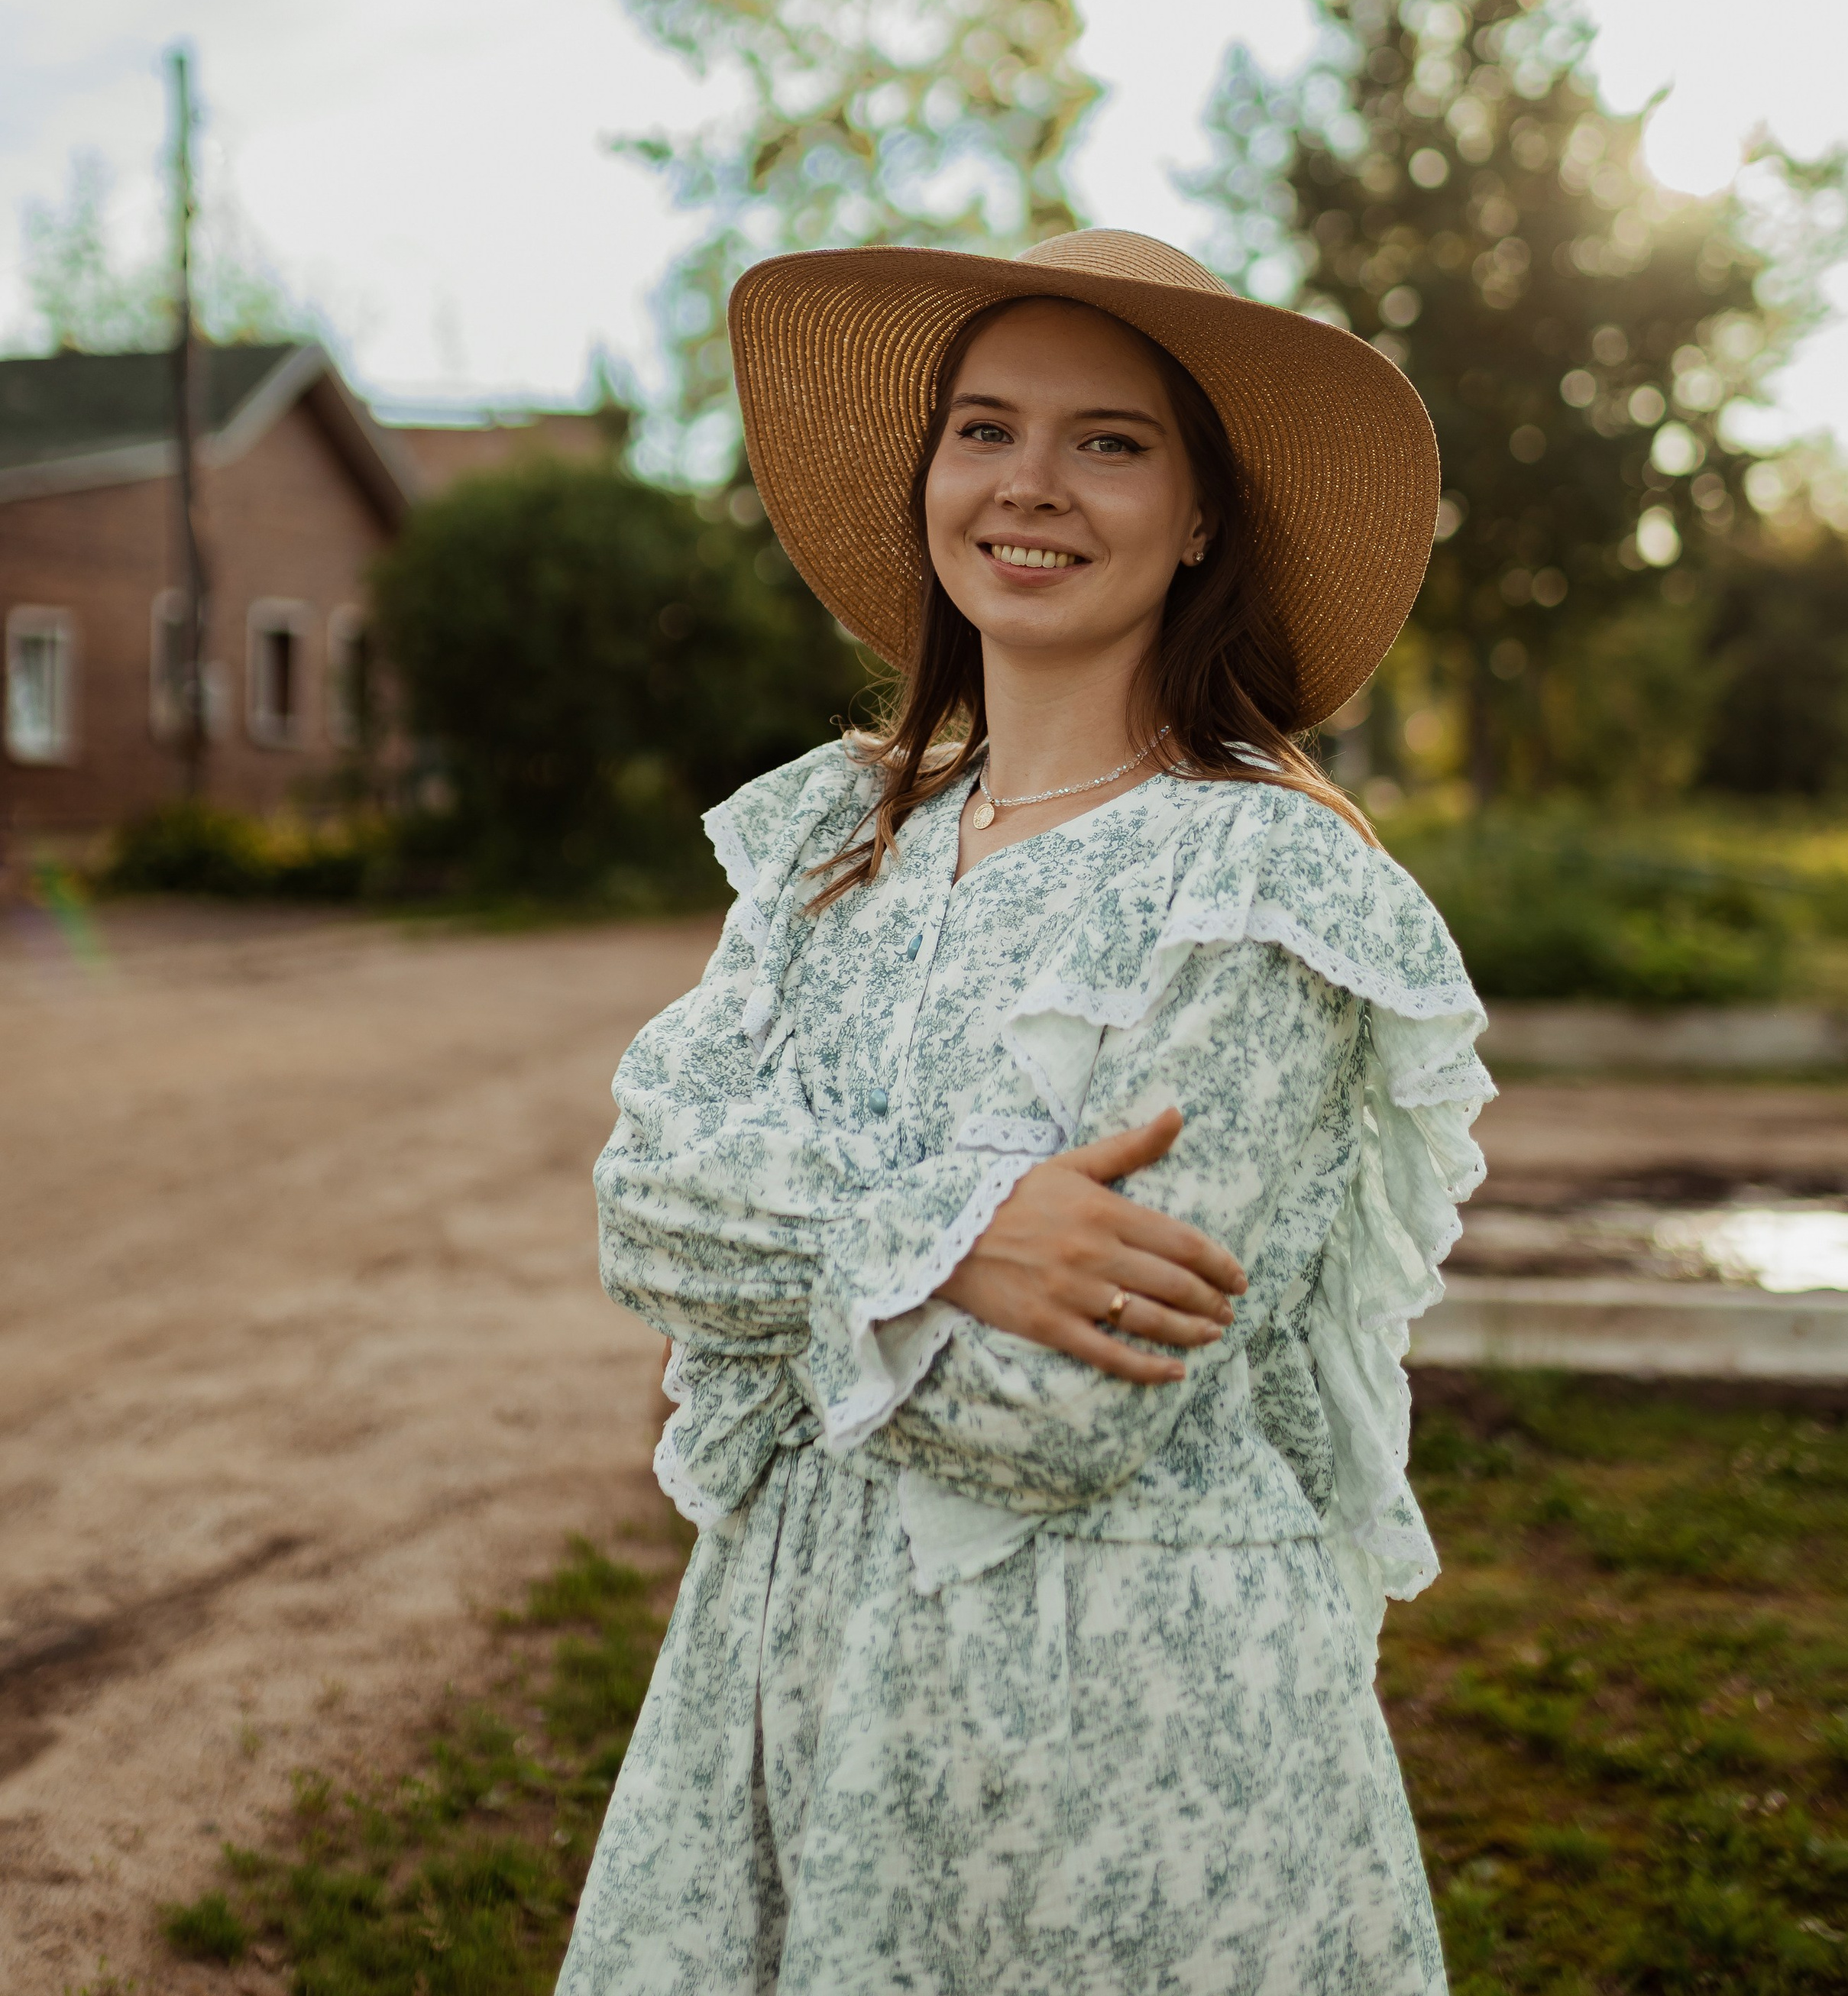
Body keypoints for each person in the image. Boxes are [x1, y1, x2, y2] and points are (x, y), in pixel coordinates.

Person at [558, 230, 1490, 1996]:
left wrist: (803, 1265)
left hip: (1112, 1724)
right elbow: (643, 1202)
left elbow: (1051, 1413)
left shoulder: (1259, 884)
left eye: (1110, 441)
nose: (1028, 486)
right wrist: (960, 1231)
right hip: (789, 1689)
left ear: (1203, 513)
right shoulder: (836, 852)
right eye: (982, 429)